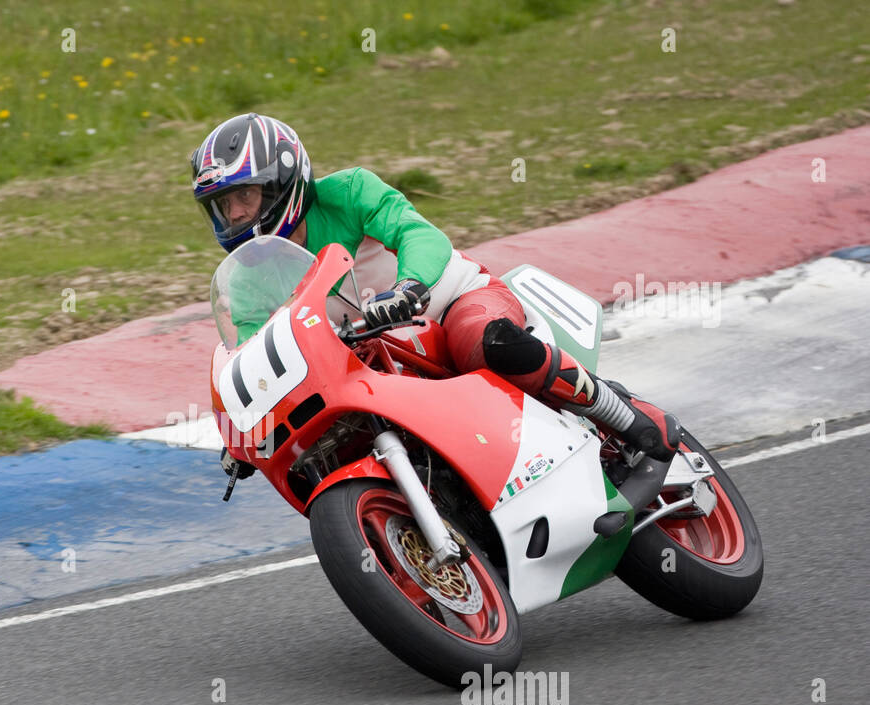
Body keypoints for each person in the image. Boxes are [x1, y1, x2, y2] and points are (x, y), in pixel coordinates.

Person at [192, 113, 682, 482]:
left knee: (485, 341)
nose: (233, 214)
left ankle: (623, 416)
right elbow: (258, 355)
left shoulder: (348, 191)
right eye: (221, 205)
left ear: (281, 183)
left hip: (449, 304)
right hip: (377, 360)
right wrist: (244, 432)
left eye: (244, 196)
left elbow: (417, 233)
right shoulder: (248, 281)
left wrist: (410, 287)